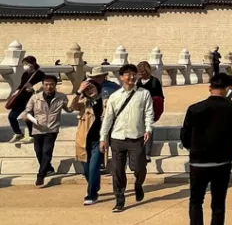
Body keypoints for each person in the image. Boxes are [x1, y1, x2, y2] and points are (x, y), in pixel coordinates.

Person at [181, 72, 232, 225]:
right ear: (226, 90)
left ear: (210, 88)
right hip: (222, 161)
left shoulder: (194, 109)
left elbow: (185, 137)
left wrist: (194, 147)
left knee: (196, 201)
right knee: (218, 205)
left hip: (198, 161)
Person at [100, 64, 154, 212]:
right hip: (117, 138)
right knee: (117, 170)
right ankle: (119, 199)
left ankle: (138, 185)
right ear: (121, 77)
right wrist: (103, 138)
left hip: (136, 137)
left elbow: (149, 113)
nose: (130, 77)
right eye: (127, 74)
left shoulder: (144, 94)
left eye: (133, 74)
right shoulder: (114, 97)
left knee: (138, 167)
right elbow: (108, 119)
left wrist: (148, 129)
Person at [19, 74, 69, 186]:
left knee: (47, 151)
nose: (49, 86)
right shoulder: (35, 98)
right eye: (46, 84)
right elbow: (27, 110)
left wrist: (77, 102)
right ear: (43, 85)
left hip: (52, 128)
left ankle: (40, 175)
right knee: (38, 152)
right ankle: (49, 168)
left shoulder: (61, 97)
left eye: (52, 84)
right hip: (37, 129)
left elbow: (69, 109)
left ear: (55, 85)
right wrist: (26, 116)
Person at [70, 69, 111, 204]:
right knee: (87, 171)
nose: (90, 90)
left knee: (94, 168)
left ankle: (91, 195)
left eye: (92, 87)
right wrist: (79, 91)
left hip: (98, 141)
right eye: (87, 89)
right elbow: (70, 107)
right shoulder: (83, 103)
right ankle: (94, 185)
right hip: (84, 140)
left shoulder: (107, 102)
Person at [7, 55, 44, 143]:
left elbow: (44, 86)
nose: (25, 66)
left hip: (32, 99)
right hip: (21, 99)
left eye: (27, 64)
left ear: (33, 64)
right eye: (24, 64)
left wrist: (33, 88)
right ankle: (18, 133)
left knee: (28, 118)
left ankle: (32, 136)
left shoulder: (40, 74)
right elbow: (21, 85)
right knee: (12, 116)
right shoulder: (25, 74)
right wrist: (15, 92)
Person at [136, 60, 164, 165]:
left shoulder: (154, 81)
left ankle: (147, 153)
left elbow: (160, 97)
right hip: (139, 109)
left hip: (150, 109)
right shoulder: (138, 82)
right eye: (139, 72)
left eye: (142, 71)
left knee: (148, 128)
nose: (141, 74)